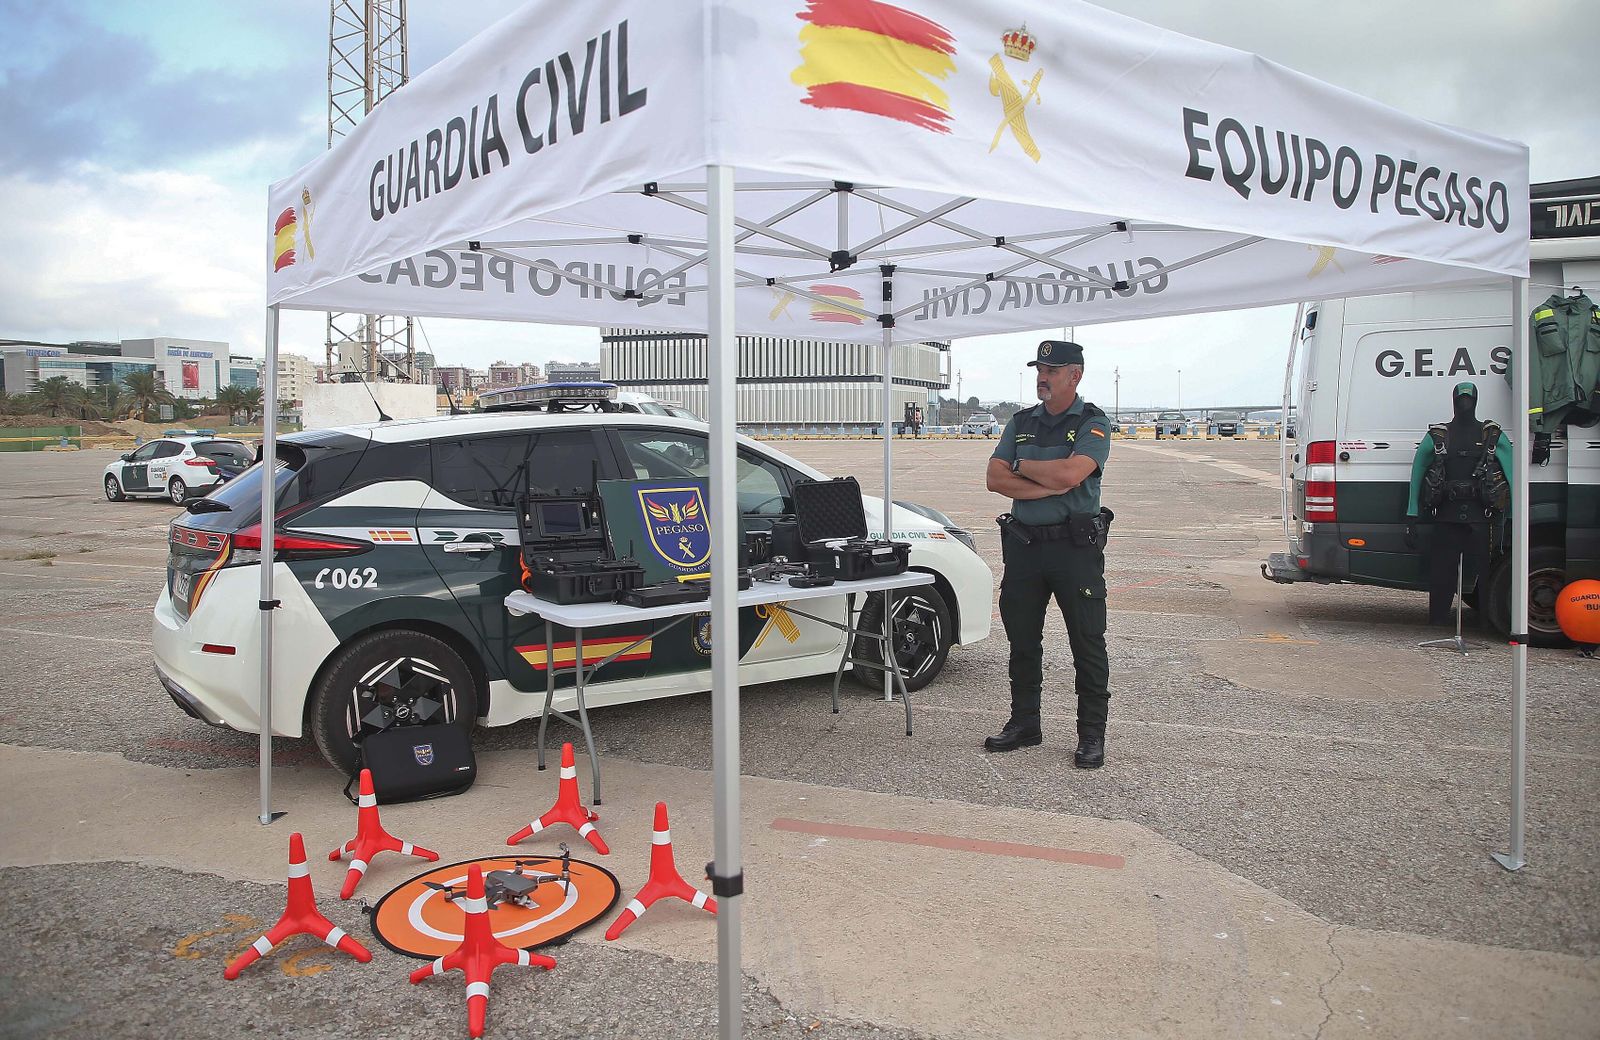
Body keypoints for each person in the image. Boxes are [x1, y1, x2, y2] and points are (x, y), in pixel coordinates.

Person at [984, 340, 1114, 768]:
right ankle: (1025, 723)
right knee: (1022, 640)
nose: (1042, 376)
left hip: (1075, 550)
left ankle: (1091, 735)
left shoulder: (1092, 423)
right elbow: (994, 478)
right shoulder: (1022, 421)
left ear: (1074, 375)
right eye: (1040, 368)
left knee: (1087, 642)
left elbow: (1071, 473)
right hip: (1025, 548)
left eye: (1052, 370)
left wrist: (1024, 467)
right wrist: (1042, 478)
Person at [1405, 381, 1512, 625]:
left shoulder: (1493, 435)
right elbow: (1417, 474)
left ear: (1476, 401)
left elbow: (1512, 476)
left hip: (1482, 517)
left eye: (1468, 399)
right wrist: (1412, 515)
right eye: (1461, 399)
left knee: (1486, 574)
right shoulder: (1437, 435)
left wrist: (1513, 517)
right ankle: (1439, 620)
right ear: (1453, 401)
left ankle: (1486, 621)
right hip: (1446, 515)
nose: (1464, 404)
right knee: (1442, 574)